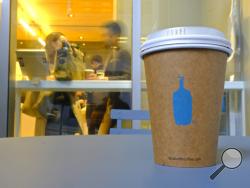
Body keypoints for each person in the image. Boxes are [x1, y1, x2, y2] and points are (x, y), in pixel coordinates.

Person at [87, 21, 131, 134]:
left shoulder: (123, 53)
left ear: (115, 36)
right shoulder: (112, 53)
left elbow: (127, 77)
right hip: (110, 103)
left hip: (119, 104)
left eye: (106, 35)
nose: (104, 38)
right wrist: (98, 77)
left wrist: (104, 79)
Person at [44, 32, 86, 135]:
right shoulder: (72, 55)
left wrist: (55, 77)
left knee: (58, 135)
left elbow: (66, 76)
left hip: (62, 103)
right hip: (62, 103)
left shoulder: (67, 54)